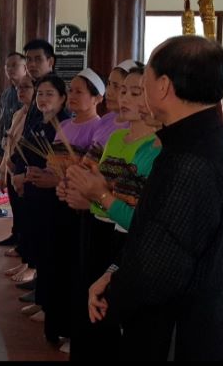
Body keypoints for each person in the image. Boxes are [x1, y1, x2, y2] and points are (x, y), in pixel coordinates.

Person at [87, 35, 223, 361]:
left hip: (184, 328)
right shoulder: (203, 138)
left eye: (144, 78)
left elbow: (161, 263)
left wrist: (115, 292)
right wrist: (115, 272)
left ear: (162, 86)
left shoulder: (190, 158)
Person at [58, 64, 162, 360]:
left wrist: (94, 197)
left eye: (134, 92)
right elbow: (100, 186)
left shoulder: (154, 148)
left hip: (121, 235)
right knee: (90, 301)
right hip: (100, 229)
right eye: (121, 90)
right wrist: (77, 189)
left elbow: (125, 203)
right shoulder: (116, 138)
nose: (123, 98)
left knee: (111, 318)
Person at [17, 75, 75, 346]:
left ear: (63, 98)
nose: (43, 99)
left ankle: (50, 307)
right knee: (40, 249)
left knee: (53, 255)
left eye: (49, 94)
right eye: (40, 93)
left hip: (55, 199)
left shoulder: (64, 125)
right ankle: (42, 301)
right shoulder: (38, 122)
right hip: (35, 194)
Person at [0, 76, 36, 281]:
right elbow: (9, 143)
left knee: (28, 216)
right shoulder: (18, 114)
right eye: (18, 88)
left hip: (25, 170)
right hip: (13, 167)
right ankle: (23, 252)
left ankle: (30, 262)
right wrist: (3, 170)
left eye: (26, 87)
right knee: (18, 210)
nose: (21, 91)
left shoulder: (35, 115)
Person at [0, 52, 30, 247]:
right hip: (8, 150)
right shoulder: (7, 94)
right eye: (7, 66)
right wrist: (0, 153)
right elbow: (3, 125)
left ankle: (23, 239)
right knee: (13, 198)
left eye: (14, 65)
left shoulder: (32, 95)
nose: (9, 69)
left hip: (22, 155)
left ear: (25, 68)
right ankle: (16, 233)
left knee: (22, 200)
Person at [92, 59, 139, 149]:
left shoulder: (135, 126)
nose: (108, 92)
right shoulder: (105, 119)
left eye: (116, 86)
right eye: (108, 84)